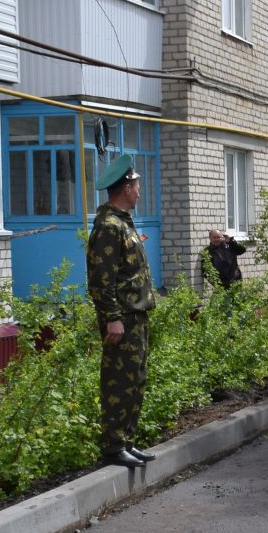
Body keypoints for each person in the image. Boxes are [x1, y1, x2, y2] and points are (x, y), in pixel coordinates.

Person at [86, 153, 156, 470]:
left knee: (135, 380)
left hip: (135, 317)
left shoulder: (123, 223)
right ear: (126, 187)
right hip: (122, 319)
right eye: (137, 184)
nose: (139, 190)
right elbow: (102, 279)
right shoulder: (108, 228)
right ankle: (113, 446)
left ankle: (126, 440)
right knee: (118, 382)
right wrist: (112, 318)